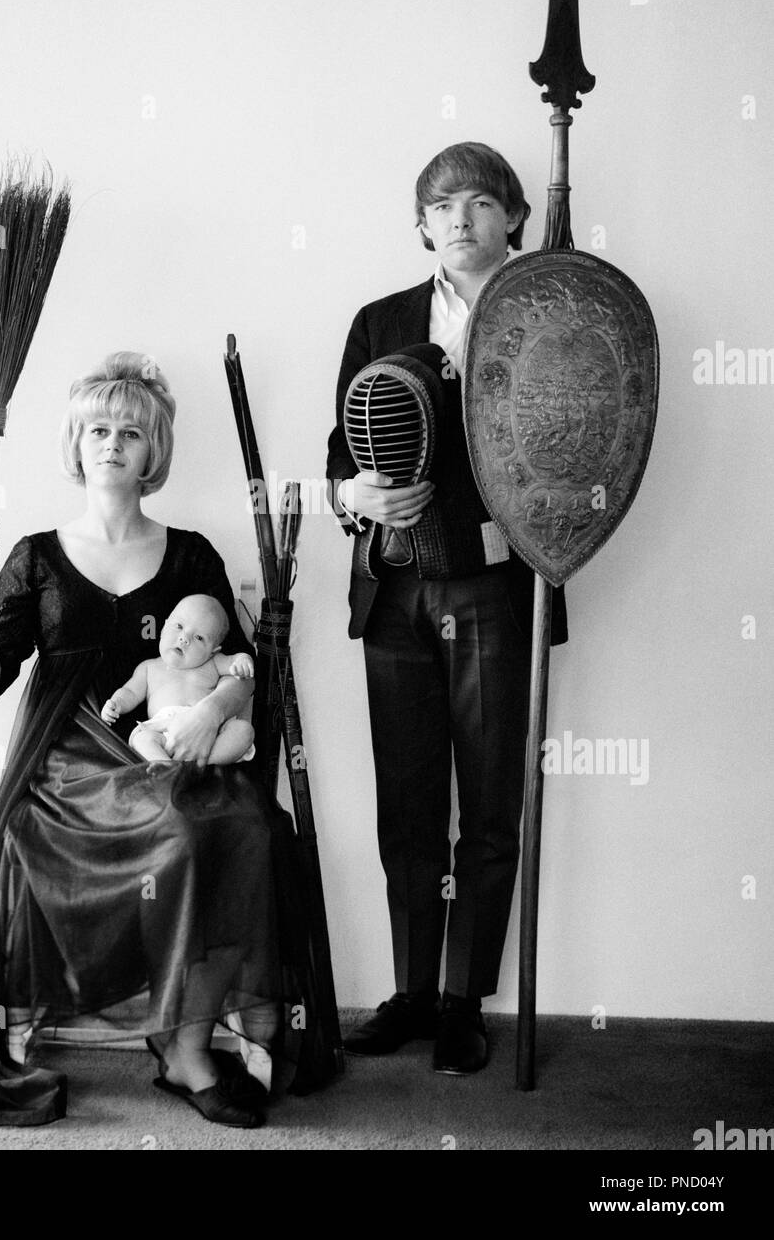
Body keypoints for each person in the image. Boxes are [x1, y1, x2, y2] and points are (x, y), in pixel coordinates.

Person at [0, 352, 297, 1129]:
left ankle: (186, 1048)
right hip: (67, 753)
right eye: (98, 429)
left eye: (131, 432)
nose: (113, 443)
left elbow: (241, 661)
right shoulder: (36, 557)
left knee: (248, 825)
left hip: (168, 745)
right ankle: (152, 1042)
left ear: (154, 453)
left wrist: (220, 708)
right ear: (76, 446)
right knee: (176, 830)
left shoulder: (190, 554)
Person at [326, 142, 567, 1075]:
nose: (459, 219)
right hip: (395, 592)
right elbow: (337, 445)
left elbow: (579, 445)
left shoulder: (552, 313)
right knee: (408, 801)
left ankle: (466, 999)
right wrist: (358, 497)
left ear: (513, 214)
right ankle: (413, 991)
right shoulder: (380, 319)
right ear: (420, 225)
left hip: (498, 589)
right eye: (441, 206)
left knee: (492, 804)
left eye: (478, 202)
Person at [103, 593, 256, 764]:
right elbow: (130, 691)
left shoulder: (212, 662)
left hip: (208, 733)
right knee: (142, 739)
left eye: (199, 638)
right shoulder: (148, 667)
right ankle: (168, 769)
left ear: (213, 650)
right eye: (179, 626)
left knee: (244, 731)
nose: (184, 638)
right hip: (164, 731)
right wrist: (116, 704)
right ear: (164, 626)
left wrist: (243, 660)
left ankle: (202, 766)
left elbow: (234, 662)